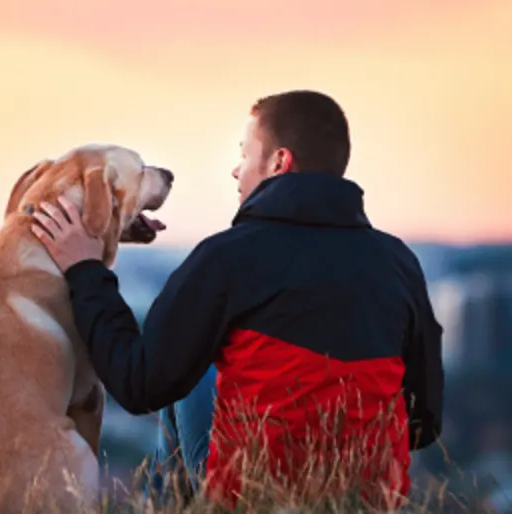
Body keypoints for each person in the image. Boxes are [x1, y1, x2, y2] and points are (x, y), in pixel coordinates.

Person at [30, 90, 444, 508]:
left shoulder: (226, 257)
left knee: (185, 373)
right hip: (366, 501)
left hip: (253, 497)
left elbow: (137, 384)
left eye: (245, 154)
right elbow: (424, 422)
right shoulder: (398, 264)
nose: (235, 170)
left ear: (279, 163)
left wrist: (86, 271)